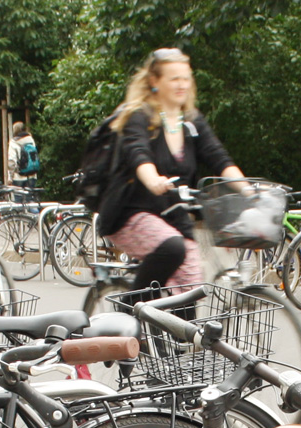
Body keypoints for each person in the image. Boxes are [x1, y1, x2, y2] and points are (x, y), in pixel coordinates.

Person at [99, 47, 247, 294]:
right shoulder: (139, 117)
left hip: (174, 213)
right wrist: (154, 179)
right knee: (173, 248)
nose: (182, 85)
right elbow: (139, 155)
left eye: (186, 78)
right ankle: (128, 312)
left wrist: (249, 189)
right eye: (174, 78)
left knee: (190, 285)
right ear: (155, 81)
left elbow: (220, 159)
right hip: (132, 212)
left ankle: (182, 333)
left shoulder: (192, 121)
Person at [7, 121, 39, 190]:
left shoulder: (13, 142)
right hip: (32, 175)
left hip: (18, 177)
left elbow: (12, 161)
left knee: (18, 199)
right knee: (30, 198)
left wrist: (10, 177)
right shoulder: (31, 140)